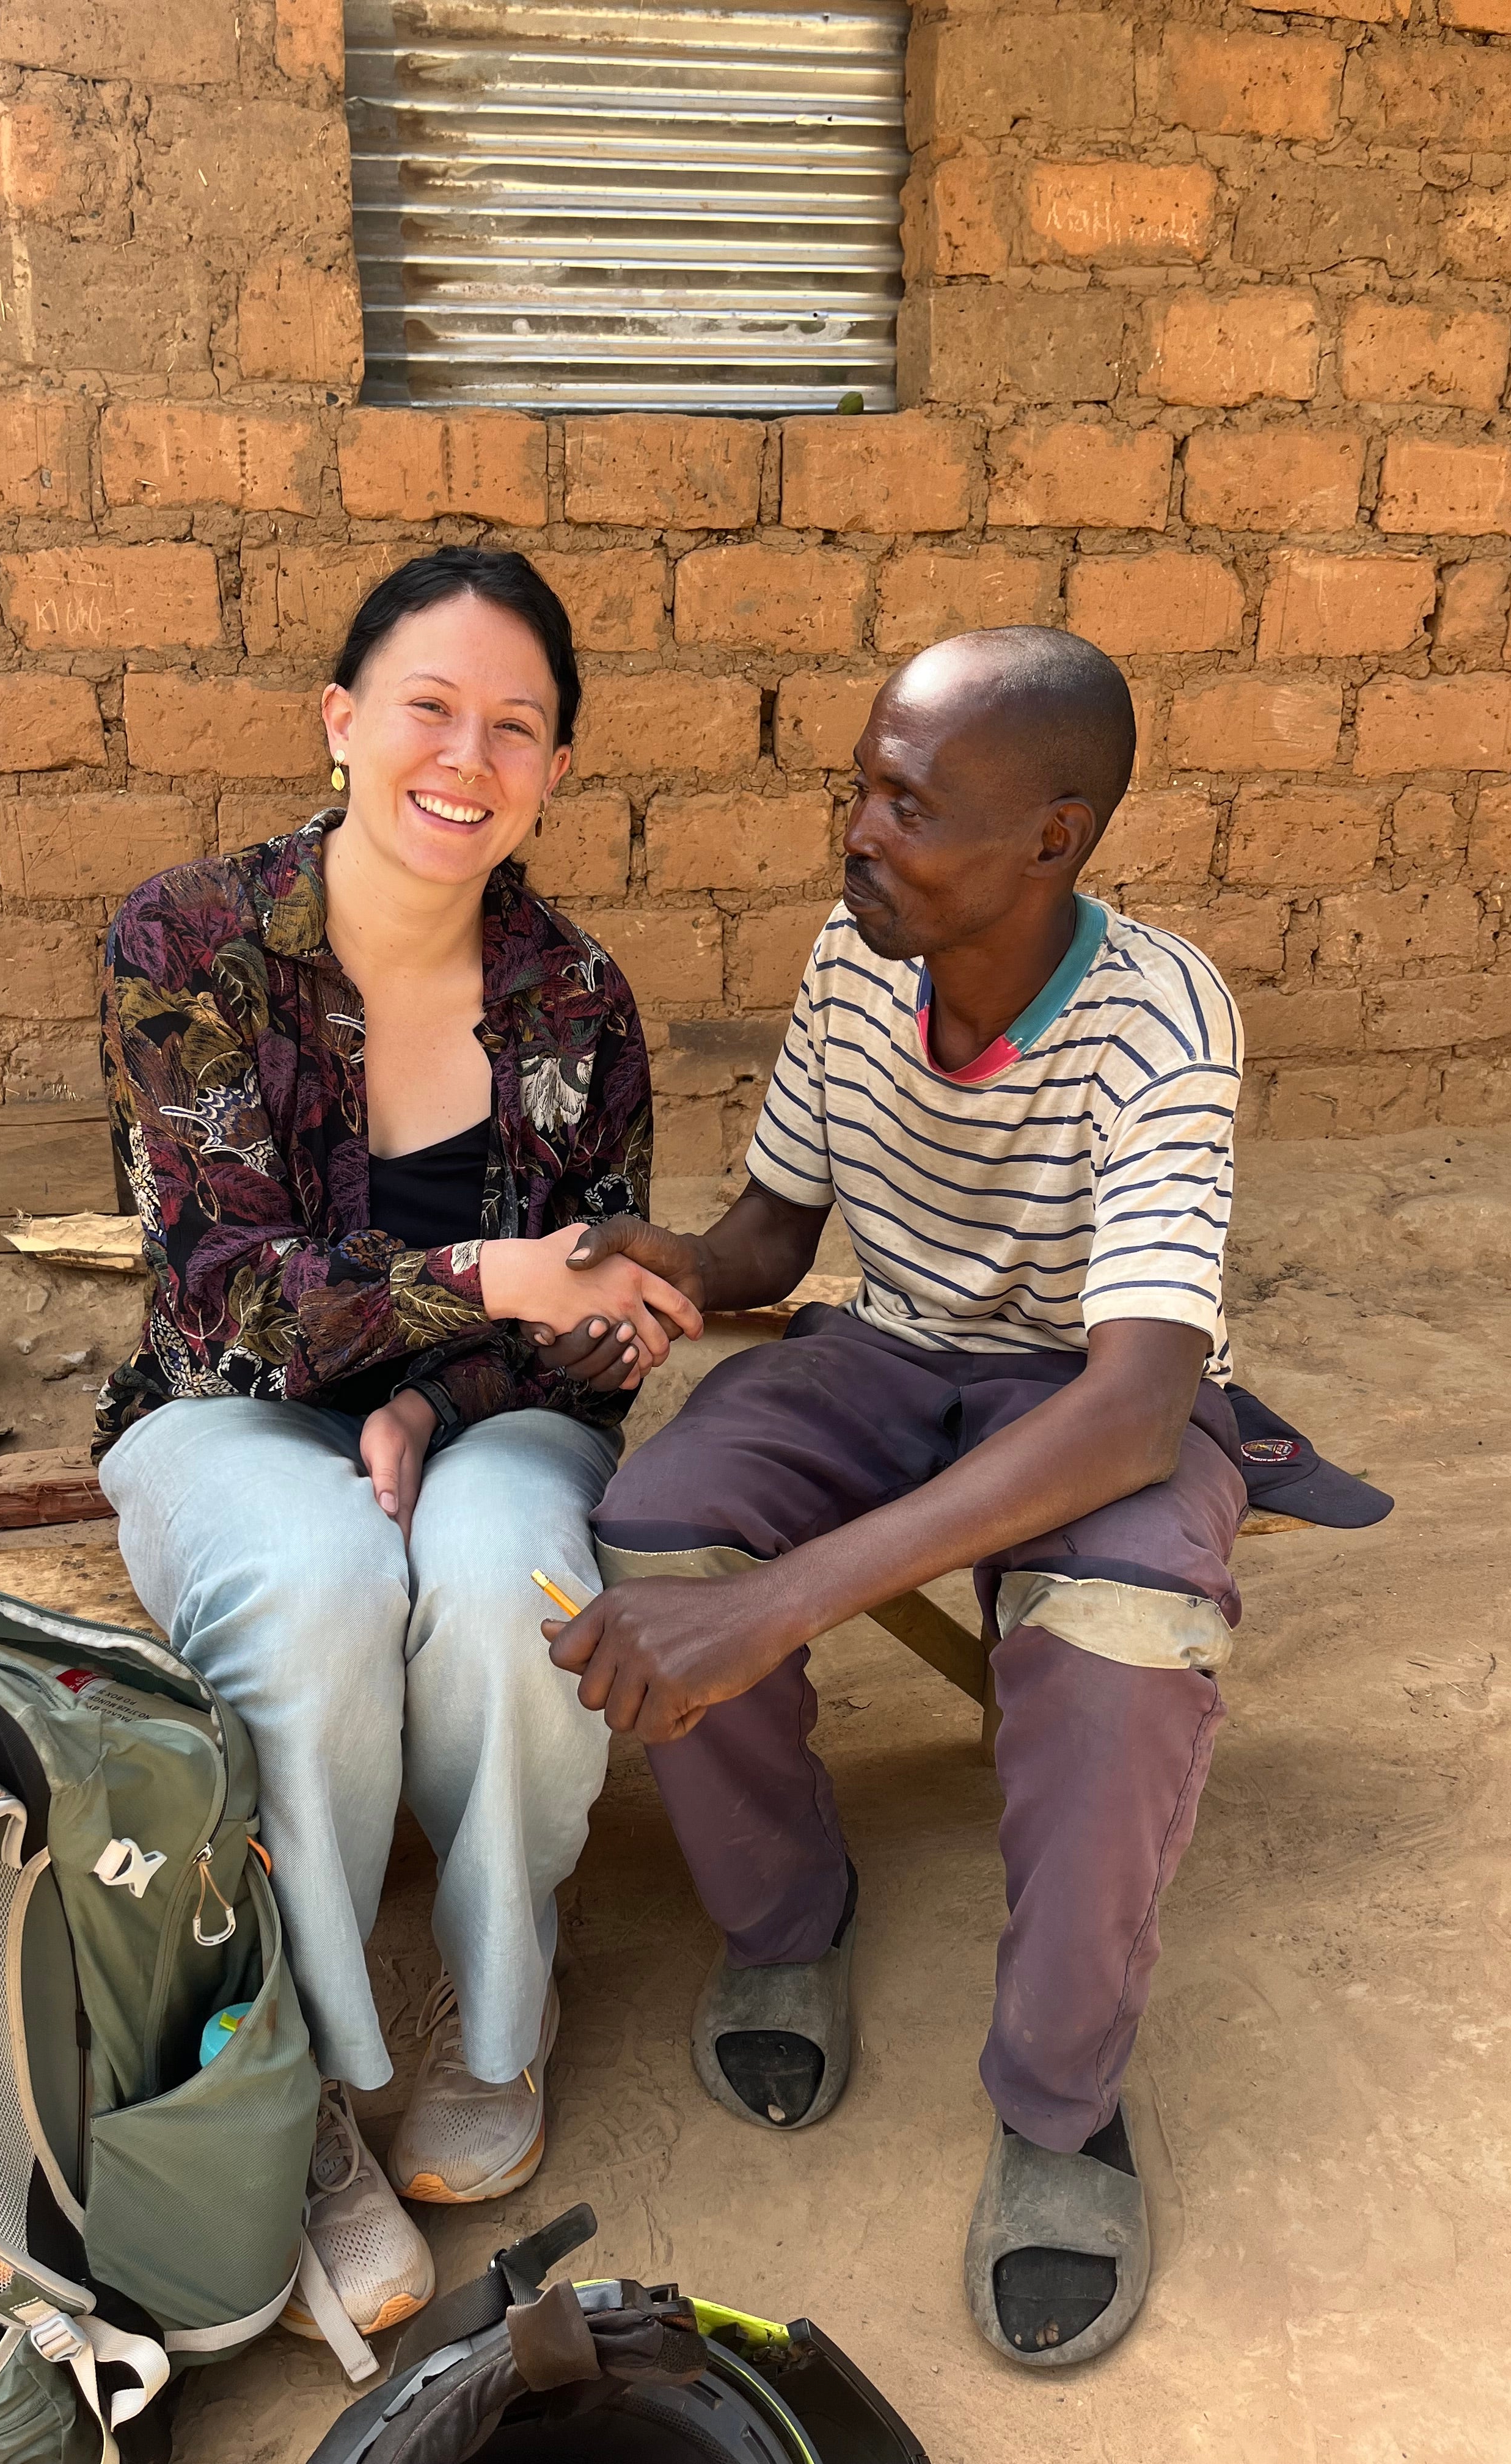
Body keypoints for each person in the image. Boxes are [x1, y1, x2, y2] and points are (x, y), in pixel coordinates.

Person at [541, 625, 1249, 2369]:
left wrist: (782, 1605)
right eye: (860, 787)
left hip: (1087, 1393)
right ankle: (789, 1923)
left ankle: (1062, 2106)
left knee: (1126, 1640)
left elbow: (1138, 1408)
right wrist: (686, 1261)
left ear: (1052, 838)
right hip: (886, 1351)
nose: (859, 830)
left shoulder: (1166, 1020)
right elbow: (781, 1230)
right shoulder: (860, 959)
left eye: (909, 805)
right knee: (661, 1536)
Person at [93, 548, 701, 2348]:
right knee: (318, 1587)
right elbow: (225, 1287)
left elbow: (594, 1334)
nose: (468, 756)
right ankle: (299, 2084)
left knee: (512, 1588)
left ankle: (495, 2023)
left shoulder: (575, 999)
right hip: (228, 1400)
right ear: (342, 721)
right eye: (430, 706)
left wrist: (445, 1393)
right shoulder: (190, 942)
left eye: (517, 726)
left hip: (491, 1409)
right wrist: (488, 1277)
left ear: (556, 771)